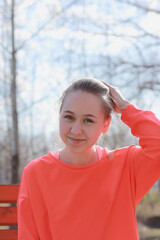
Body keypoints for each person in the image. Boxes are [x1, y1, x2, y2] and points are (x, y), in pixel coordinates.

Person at [17, 77, 160, 240]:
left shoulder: (125, 167)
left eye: (88, 120)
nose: (76, 130)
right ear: (59, 116)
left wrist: (126, 108)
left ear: (105, 124)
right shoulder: (36, 173)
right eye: (69, 117)